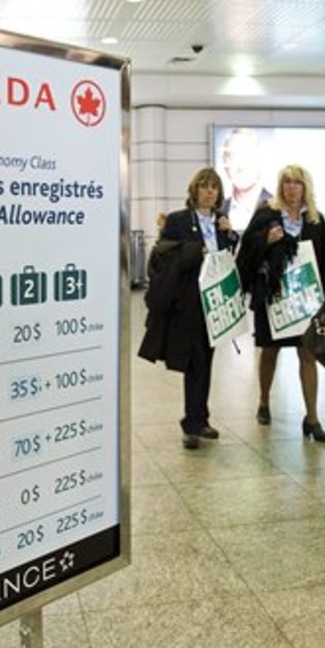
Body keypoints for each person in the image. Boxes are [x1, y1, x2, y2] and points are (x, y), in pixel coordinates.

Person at [138, 168, 239, 449]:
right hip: (187, 301)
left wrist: (231, 236)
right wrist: (196, 252)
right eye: (204, 187)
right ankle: (192, 423)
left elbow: (227, 257)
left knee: (205, 361)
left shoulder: (221, 221)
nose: (210, 192)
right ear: (194, 191)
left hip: (214, 300)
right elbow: (163, 253)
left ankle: (200, 418)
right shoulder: (177, 220)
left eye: (214, 187)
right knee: (195, 361)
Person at [236, 164, 325, 441]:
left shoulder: (316, 220)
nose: (291, 187)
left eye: (296, 182)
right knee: (269, 350)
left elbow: (324, 261)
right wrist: (265, 239)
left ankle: (312, 418)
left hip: (305, 297)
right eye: (286, 182)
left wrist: (324, 302)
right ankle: (264, 401)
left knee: (308, 354)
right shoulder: (267, 214)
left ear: (305, 187)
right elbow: (247, 252)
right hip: (273, 295)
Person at [219, 128, 273, 233]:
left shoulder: (276, 208)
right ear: (225, 162)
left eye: (247, 156)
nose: (241, 166)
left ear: (260, 161)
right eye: (233, 156)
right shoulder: (218, 210)